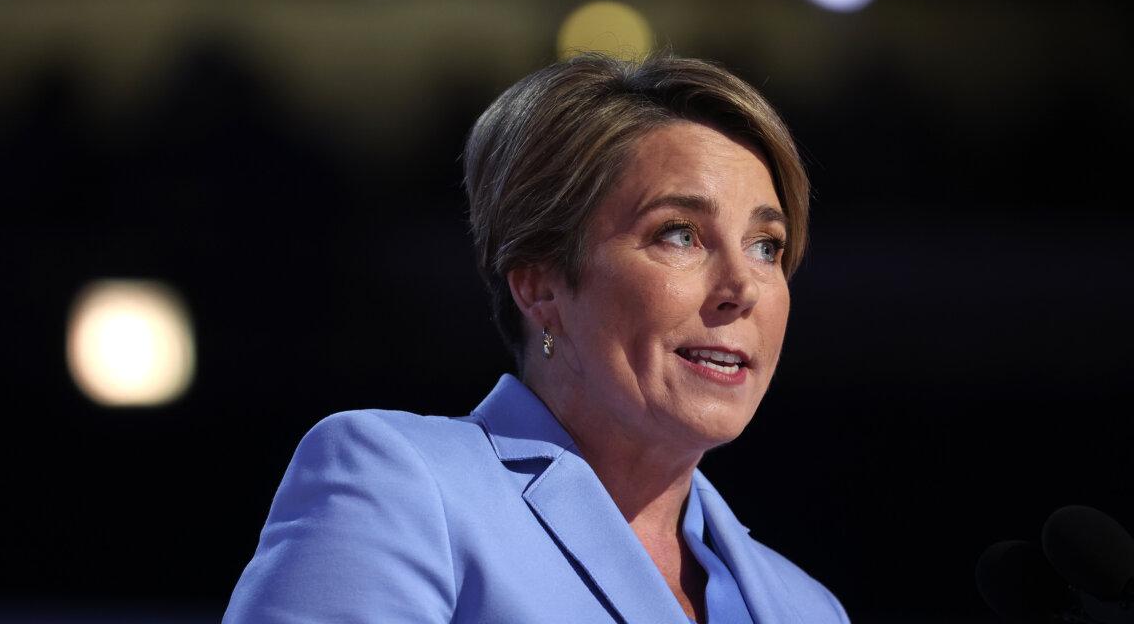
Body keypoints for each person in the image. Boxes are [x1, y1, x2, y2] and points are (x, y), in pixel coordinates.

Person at [224, 53, 850, 623]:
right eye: (679, 234)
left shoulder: (807, 606)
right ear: (540, 286)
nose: (743, 287)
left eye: (767, 246)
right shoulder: (401, 487)